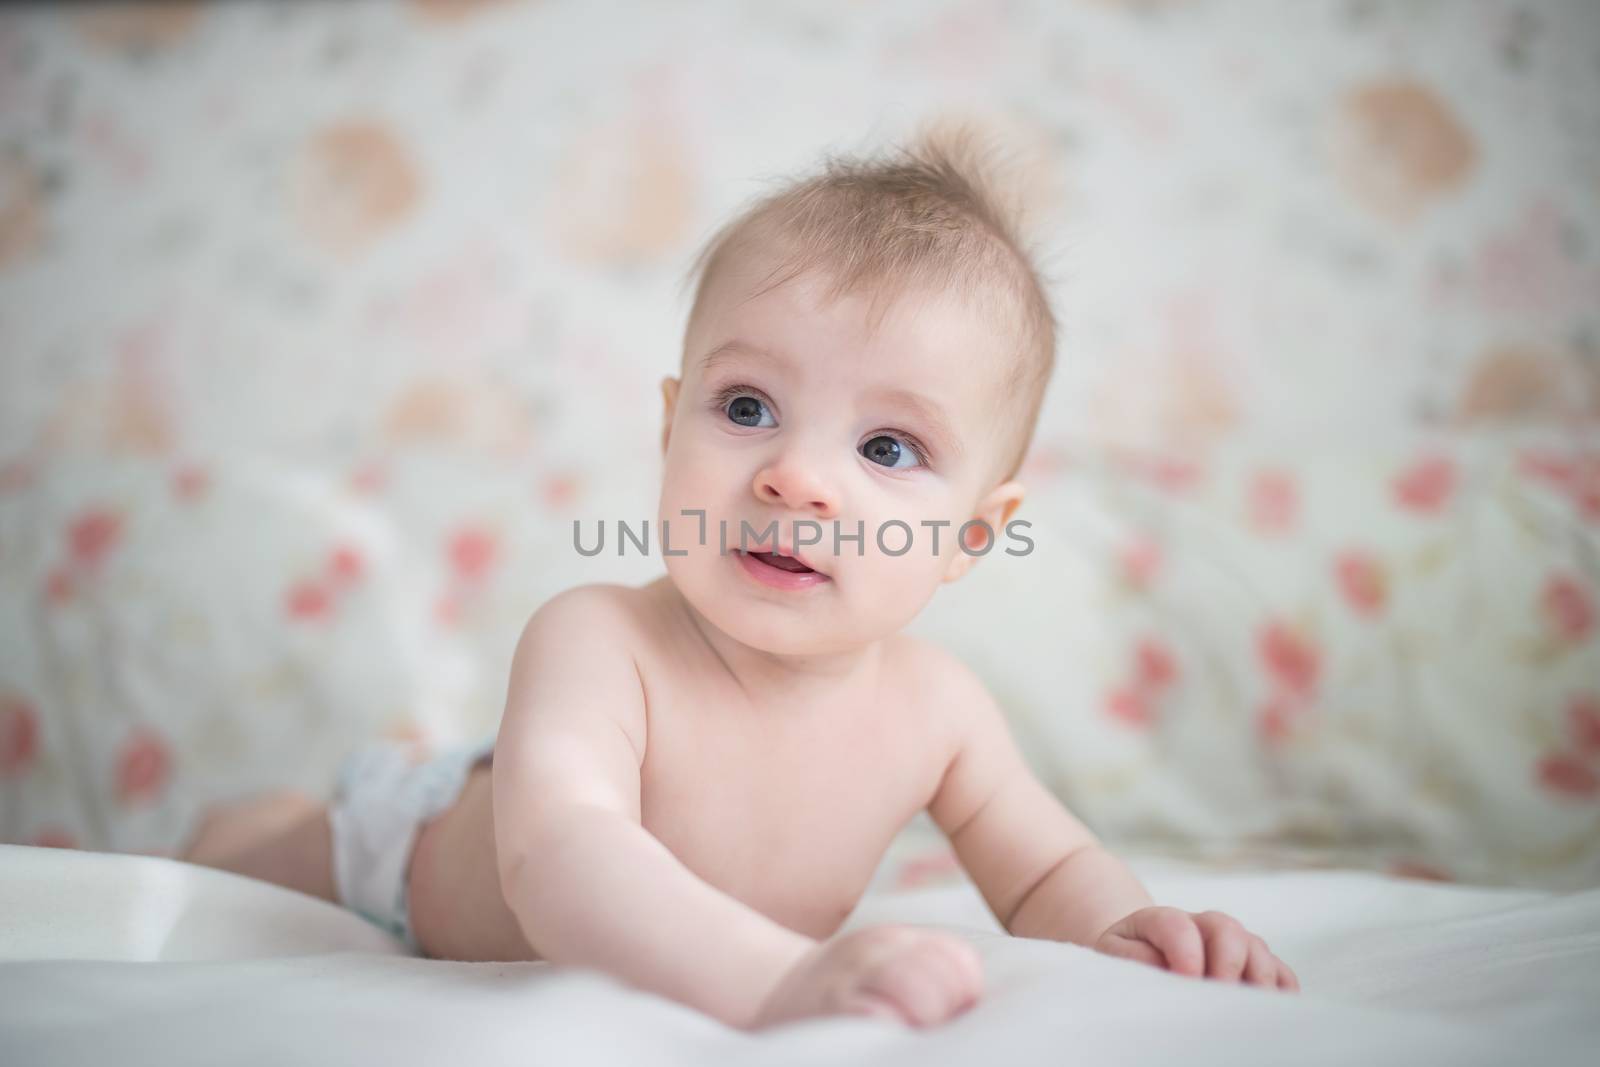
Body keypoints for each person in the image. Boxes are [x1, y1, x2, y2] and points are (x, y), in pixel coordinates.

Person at [183, 127, 1298, 1031]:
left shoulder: (939, 711)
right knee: (274, 857)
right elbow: (560, 852)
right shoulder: (598, 637)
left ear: (969, 535)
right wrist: (767, 982)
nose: (796, 478)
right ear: (672, 428)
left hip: (537, 814)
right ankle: (243, 821)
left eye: (887, 448)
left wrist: (1123, 933)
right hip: (420, 846)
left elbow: (1047, 865)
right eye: (747, 408)